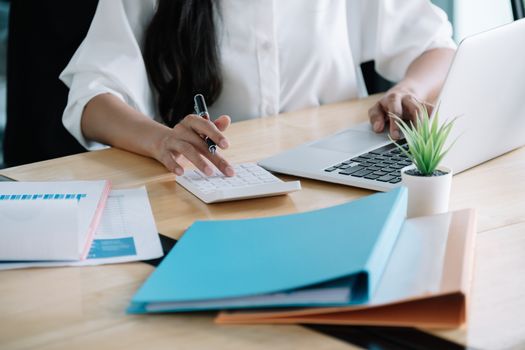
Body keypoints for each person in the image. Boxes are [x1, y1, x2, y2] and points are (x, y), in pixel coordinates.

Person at [60, 0, 456, 177]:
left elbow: (435, 46)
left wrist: (407, 89)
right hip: (215, 184)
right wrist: (161, 140)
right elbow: (92, 99)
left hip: (339, 176)